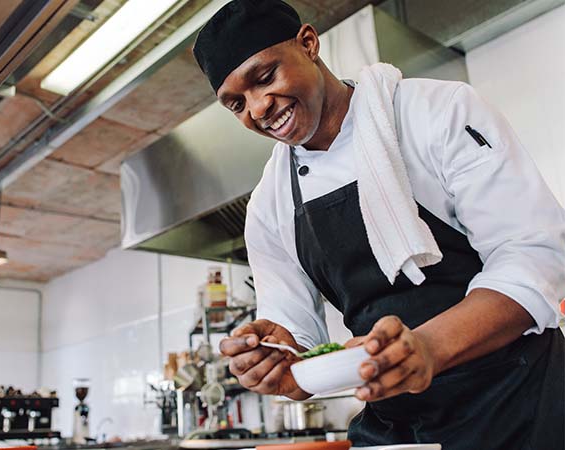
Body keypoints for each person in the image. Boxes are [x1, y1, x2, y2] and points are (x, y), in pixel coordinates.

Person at [192, 1, 565, 449]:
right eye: (236, 104)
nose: (258, 107)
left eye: (265, 76)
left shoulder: (437, 112)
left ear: (309, 44)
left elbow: (533, 256)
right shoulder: (269, 206)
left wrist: (428, 347)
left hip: (519, 405)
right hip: (397, 426)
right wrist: (277, 359)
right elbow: (296, 336)